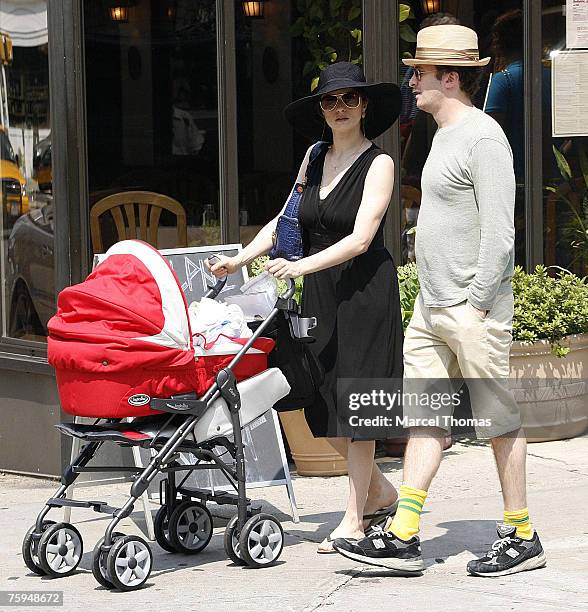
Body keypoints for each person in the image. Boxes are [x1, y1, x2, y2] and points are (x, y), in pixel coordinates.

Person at [333, 25, 546, 577]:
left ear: (450, 78)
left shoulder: (484, 138)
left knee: (498, 421)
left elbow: (501, 233)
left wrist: (475, 304)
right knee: (426, 417)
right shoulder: (440, 136)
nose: (412, 81)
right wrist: (433, 298)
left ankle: (521, 532)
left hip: (471, 309)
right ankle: (404, 532)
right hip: (432, 307)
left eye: (420, 73)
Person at [209, 61, 404, 553]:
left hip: (363, 292)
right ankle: (379, 490)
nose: (340, 108)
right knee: (313, 393)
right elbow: (285, 220)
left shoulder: (378, 163)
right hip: (317, 288)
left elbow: (362, 239)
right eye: (330, 100)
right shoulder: (314, 157)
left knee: (356, 405)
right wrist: (239, 260)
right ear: (321, 110)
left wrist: (300, 268)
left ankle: (355, 518)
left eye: (349, 99)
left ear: (364, 107)